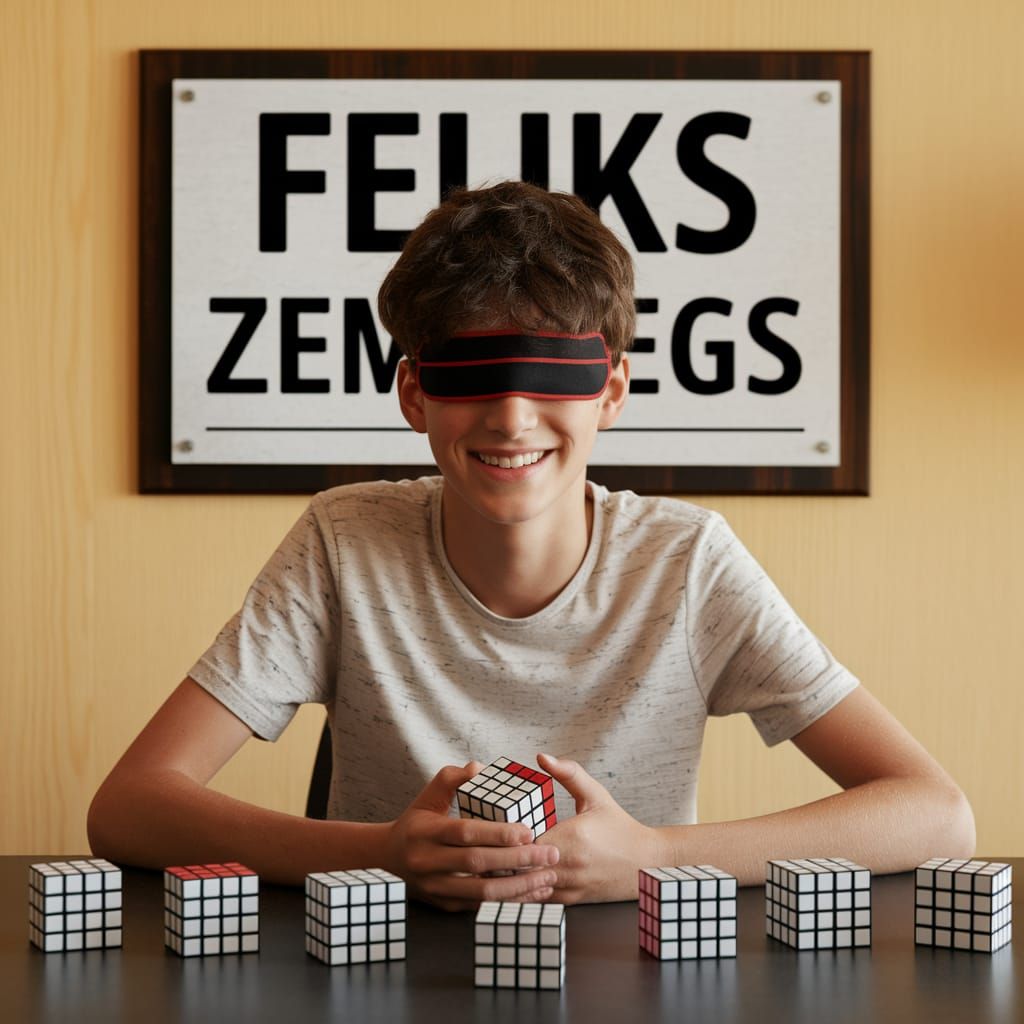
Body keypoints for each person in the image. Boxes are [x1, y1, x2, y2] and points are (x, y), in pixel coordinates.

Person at [88, 181, 974, 910]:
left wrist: (655, 856)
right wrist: (380, 853)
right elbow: (129, 806)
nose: (512, 418)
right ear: (415, 394)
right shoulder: (343, 540)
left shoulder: (687, 562)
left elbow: (935, 814)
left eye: (554, 374)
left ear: (611, 391)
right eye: (471, 376)